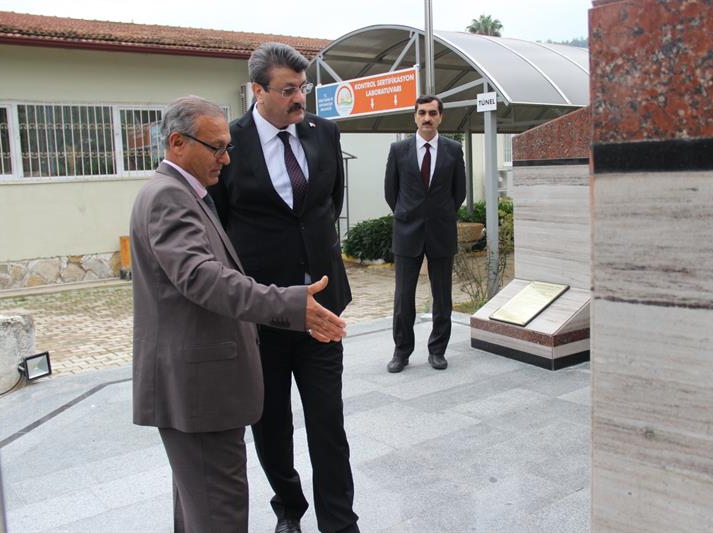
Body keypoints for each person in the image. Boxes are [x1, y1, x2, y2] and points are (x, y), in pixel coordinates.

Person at [130, 95, 346, 533]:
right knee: (219, 514)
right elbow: (202, 278)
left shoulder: (184, 194)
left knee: (200, 512)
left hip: (197, 389)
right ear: (177, 143)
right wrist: (289, 304)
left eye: (227, 147)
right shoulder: (169, 197)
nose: (226, 159)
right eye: (216, 148)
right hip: (201, 391)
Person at [208, 43, 358, 533]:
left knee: (328, 423)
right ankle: (289, 508)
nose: (299, 98)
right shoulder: (229, 143)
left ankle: (339, 522)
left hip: (322, 309)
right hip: (263, 313)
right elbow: (219, 225)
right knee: (271, 424)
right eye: (288, 89)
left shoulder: (324, 133)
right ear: (258, 90)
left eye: (303, 87)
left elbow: (327, 207)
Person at [384, 95, 467, 373]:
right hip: (407, 231)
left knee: (442, 296)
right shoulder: (399, 150)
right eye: (422, 113)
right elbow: (391, 192)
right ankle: (401, 352)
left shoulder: (453, 150)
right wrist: (408, 213)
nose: (427, 118)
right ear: (415, 117)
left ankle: (438, 351)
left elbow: (459, 192)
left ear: (440, 117)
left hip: (441, 231)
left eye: (432, 113)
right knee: (403, 297)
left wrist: (440, 214)